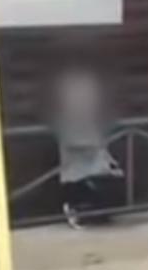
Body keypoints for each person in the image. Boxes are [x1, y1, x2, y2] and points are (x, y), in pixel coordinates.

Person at [50, 66, 124, 229]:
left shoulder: (90, 117)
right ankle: (77, 211)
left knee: (106, 182)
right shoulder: (68, 118)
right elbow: (75, 142)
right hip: (77, 168)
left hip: (94, 165)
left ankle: (99, 213)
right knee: (81, 185)